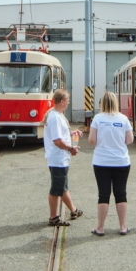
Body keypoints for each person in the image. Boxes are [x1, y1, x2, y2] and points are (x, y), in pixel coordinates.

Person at [88, 91, 133, 236]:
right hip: (121, 161)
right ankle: (123, 227)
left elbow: (91, 141)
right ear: (116, 103)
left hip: (101, 161)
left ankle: (100, 228)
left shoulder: (97, 118)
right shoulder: (124, 119)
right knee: (121, 193)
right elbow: (130, 140)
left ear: (102, 104)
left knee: (103, 194)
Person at [44, 89, 83, 227]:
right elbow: (57, 141)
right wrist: (70, 148)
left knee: (62, 186)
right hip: (58, 158)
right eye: (67, 100)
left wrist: (72, 132)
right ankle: (53, 217)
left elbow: (60, 135)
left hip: (59, 158)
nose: (68, 102)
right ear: (62, 102)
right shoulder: (55, 117)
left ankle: (73, 210)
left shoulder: (56, 115)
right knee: (57, 188)